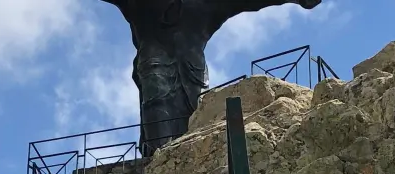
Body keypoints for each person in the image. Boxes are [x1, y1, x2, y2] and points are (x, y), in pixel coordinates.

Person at [99, 0, 321, 155]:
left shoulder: (205, 3)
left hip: (194, 82)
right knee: (160, 136)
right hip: (155, 78)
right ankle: (158, 169)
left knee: (193, 129)